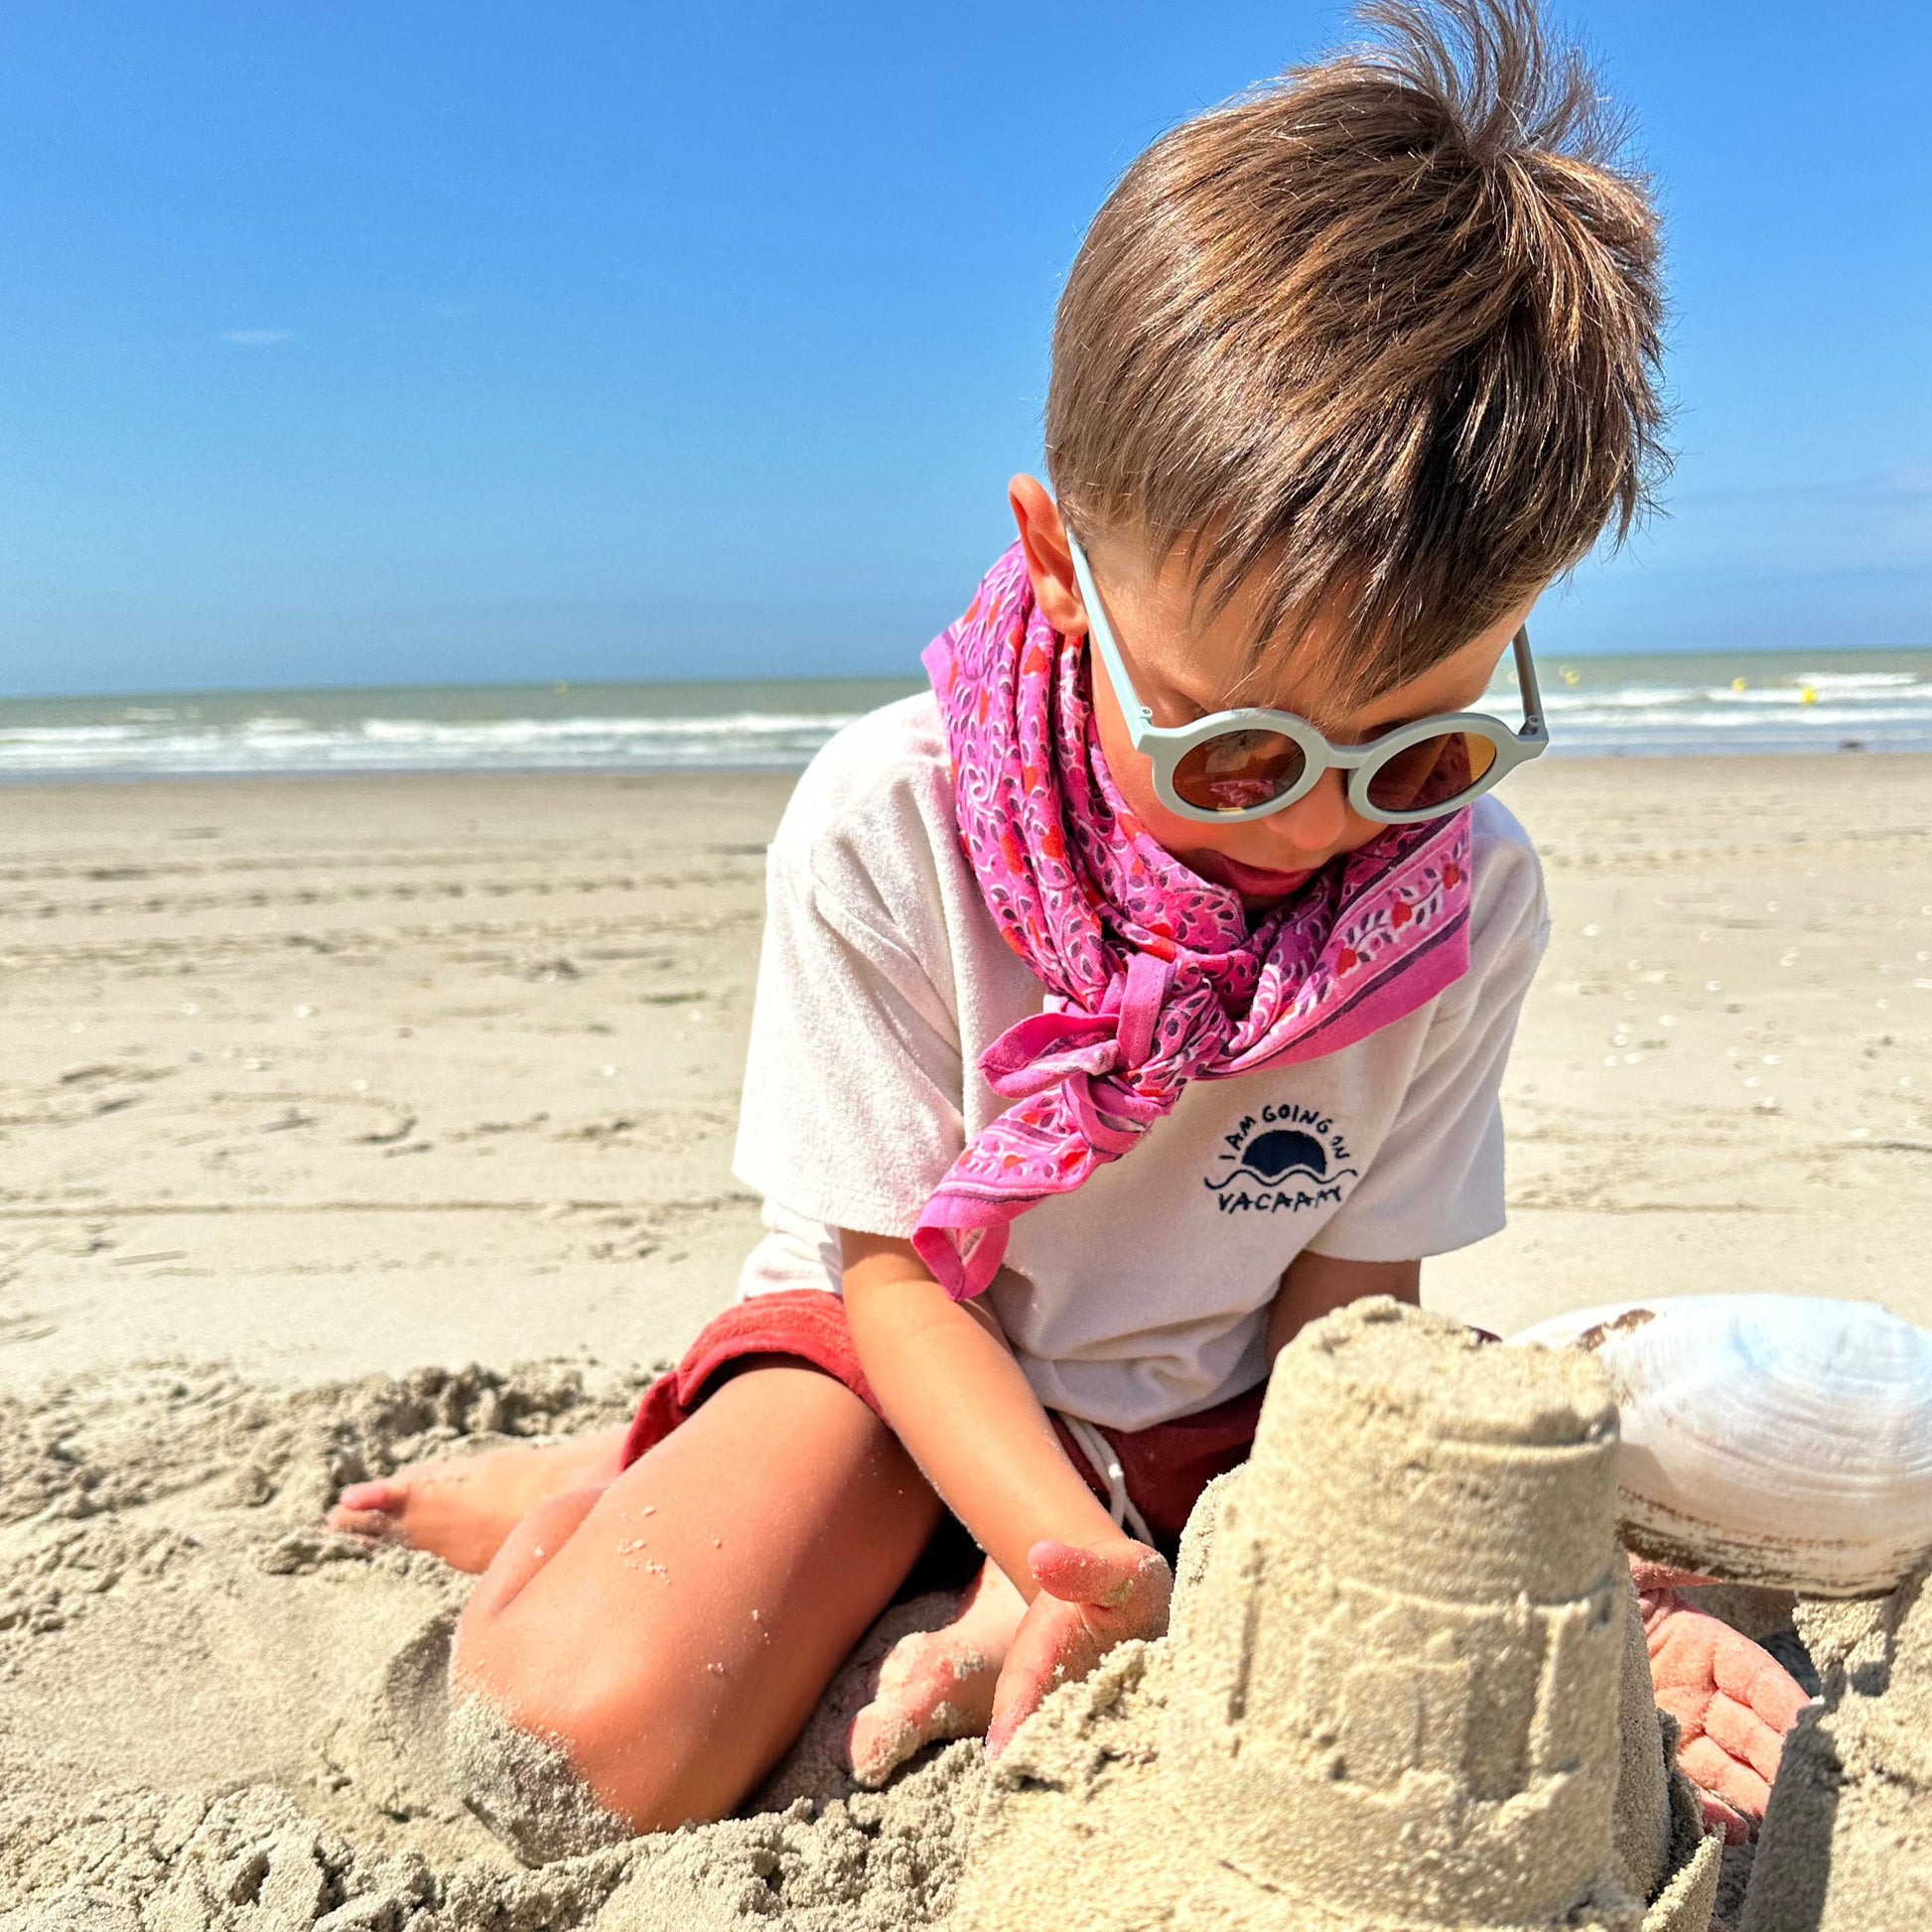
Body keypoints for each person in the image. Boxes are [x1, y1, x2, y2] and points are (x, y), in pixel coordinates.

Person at [330, 0, 1804, 1852]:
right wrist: (1067, 1557)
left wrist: (1477, 1608)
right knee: (586, 1748)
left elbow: (1347, 1323)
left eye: (1425, 744)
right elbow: (890, 1275)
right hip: (887, 1354)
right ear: (1057, 562)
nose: (1326, 822)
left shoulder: (1462, 899)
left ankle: (858, 1553)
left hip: (1205, 1422)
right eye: (1237, 744)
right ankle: (614, 1488)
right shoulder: (900, 819)